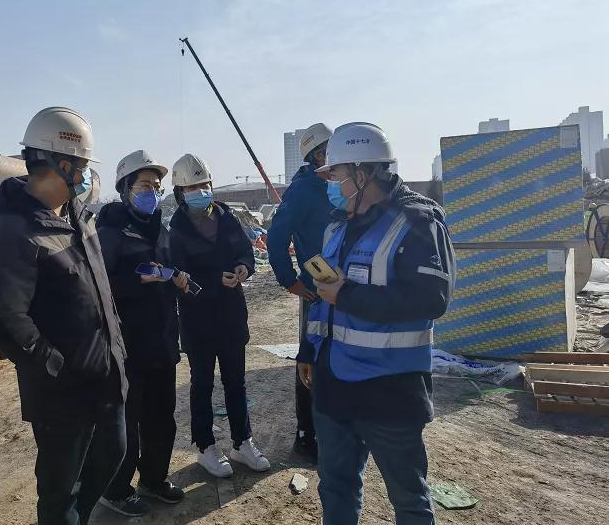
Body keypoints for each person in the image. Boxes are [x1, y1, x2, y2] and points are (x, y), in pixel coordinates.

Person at [298, 122, 455, 525]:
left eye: (336, 174)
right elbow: (323, 299)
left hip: (389, 391)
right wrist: (308, 351)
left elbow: (431, 299)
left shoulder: (418, 222)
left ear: (363, 172)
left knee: (408, 498)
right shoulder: (337, 225)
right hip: (334, 386)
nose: (331, 184)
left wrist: (347, 295)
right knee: (336, 487)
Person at [0, 107, 128, 525]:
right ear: (60, 164)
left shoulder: (78, 217)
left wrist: (116, 349)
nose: (87, 175)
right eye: (83, 166)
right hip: (62, 393)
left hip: (106, 376)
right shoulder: (13, 231)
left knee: (112, 453)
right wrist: (56, 368)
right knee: (60, 492)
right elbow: (4, 318)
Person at [96, 150, 187, 517]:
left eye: (156, 186)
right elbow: (100, 287)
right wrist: (138, 281)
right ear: (125, 189)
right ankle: (116, 489)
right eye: (145, 185)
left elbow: (168, 268)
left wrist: (176, 277)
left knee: (161, 417)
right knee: (126, 422)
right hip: (128, 344)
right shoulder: (110, 231)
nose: (152, 192)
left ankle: (154, 478)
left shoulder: (161, 229)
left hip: (162, 340)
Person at [168, 153, 271, 478]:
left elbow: (245, 253)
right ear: (181, 192)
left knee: (235, 382)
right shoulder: (176, 230)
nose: (200, 191)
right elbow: (178, 276)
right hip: (198, 319)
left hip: (230, 316)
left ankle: (242, 442)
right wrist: (210, 281)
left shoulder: (227, 218)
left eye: (204, 184)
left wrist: (243, 268)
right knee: (201, 383)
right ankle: (205, 447)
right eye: (192, 187)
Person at [266, 122, 333, 463]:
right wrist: (289, 280)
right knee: (311, 360)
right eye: (328, 151)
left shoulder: (344, 185)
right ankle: (307, 435)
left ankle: (336, 430)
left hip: (347, 288)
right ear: (316, 156)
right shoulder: (303, 190)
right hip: (317, 290)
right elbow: (276, 238)